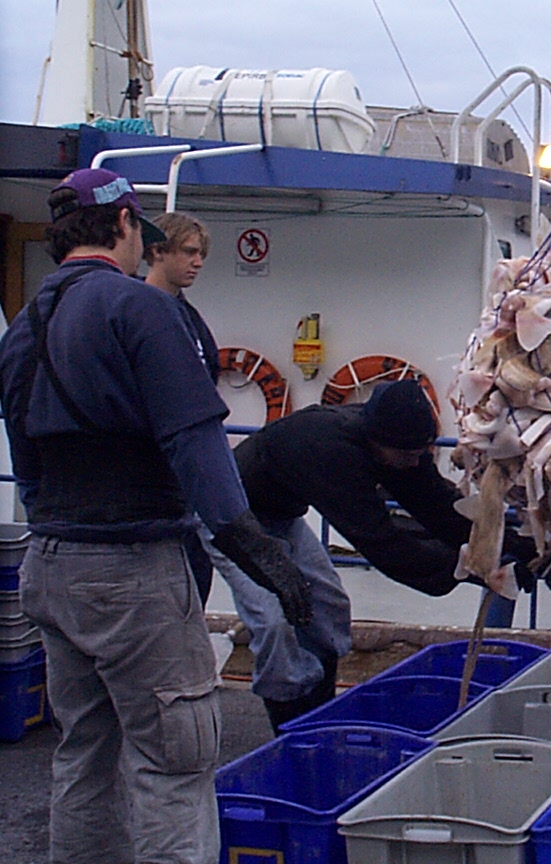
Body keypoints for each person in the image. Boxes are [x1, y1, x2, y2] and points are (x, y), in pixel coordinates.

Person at [0, 167, 311, 864]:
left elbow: (26, 461)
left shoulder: (25, 325)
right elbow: (193, 437)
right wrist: (252, 544)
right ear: (123, 227)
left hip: (49, 565)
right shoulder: (142, 308)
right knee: (173, 762)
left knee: (84, 755)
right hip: (132, 571)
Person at [200, 378, 536, 733]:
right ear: (380, 442)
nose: (415, 463)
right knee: (274, 621)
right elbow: (381, 542)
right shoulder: (330, 452)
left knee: (328, 604)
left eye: (421, 453)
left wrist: (507, 546)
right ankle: (289, 725)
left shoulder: (398, 445)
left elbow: (436, 504)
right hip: (229, 518)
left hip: (281, 516)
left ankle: (319, 709)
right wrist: (471, 568)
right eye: (408, 456)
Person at [144, 211, 219, 605]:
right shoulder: (134, 313)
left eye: (200, 253)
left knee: (195, 573)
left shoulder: (189, 319)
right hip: (151, 475)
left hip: (188, 471)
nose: (198, 262)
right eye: (189, 252)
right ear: (157, 251)